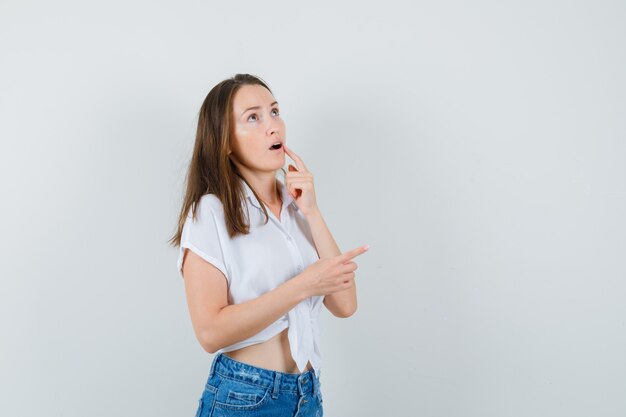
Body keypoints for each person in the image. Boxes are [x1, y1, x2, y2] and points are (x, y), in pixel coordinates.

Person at [169, 73, 369, 416]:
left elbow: (345, 305)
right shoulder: (210, 213)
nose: (273, 126)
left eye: (274, 111)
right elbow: (209, 332)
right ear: (226, 141)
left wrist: (313, 212)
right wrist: (303, 286)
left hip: (306, 395)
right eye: (253, 117)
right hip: (245, 396)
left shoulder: (298, 206)